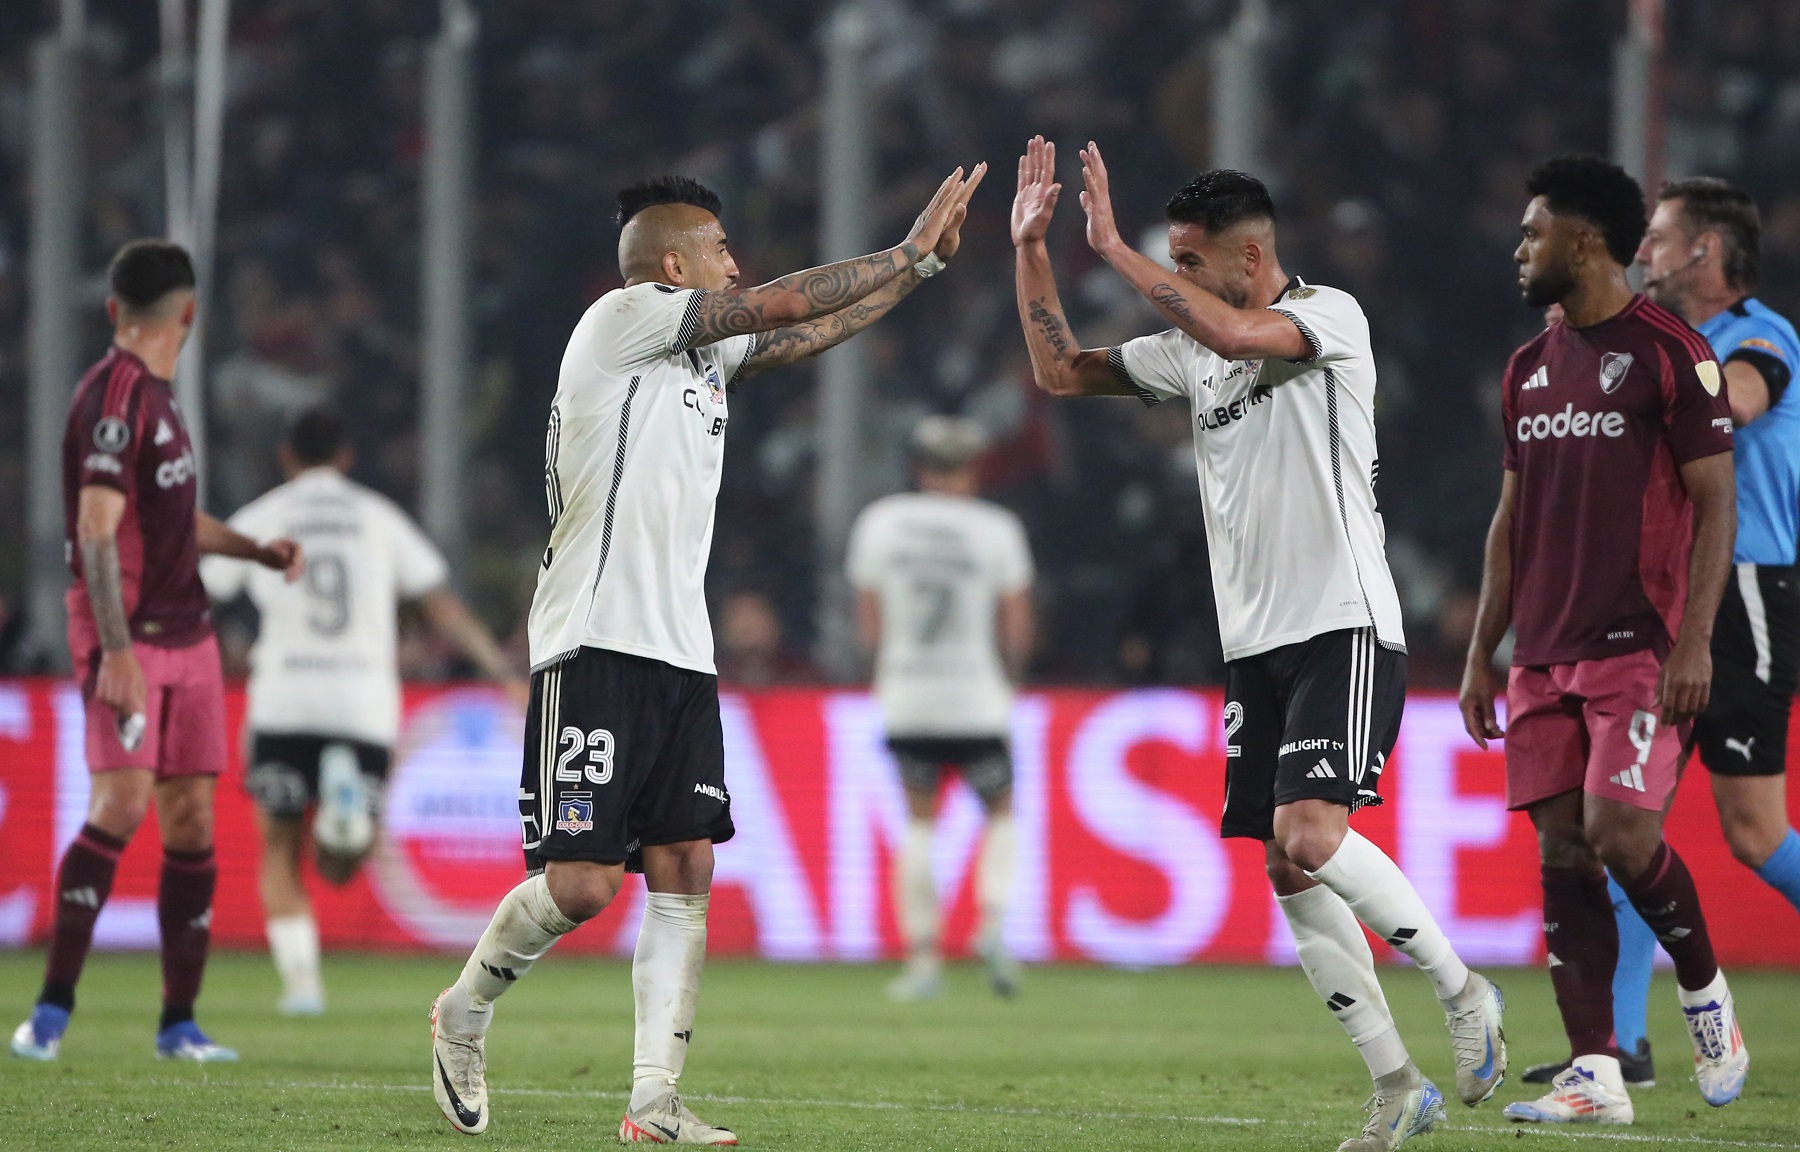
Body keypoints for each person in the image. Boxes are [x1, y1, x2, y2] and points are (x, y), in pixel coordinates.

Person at [427, 164, 986, 1142]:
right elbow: (769, 304)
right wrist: (901, 249)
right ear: (674, 263)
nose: (737, 265)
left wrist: (922, 273)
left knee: (686, 864)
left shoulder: (699, 359)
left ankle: (653, 1101)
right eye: (721, 251)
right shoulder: (621, 318)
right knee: (584, 884)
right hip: (592, 639)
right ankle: (464, 1011)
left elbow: (799, 332)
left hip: (680, 652)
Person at [1011, 136, 1505, 1152]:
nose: (1175, 280)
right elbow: (1062, 371)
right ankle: (1394, 1083)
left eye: (1187, 262)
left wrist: (1110, 247)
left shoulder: (1326, 319)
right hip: (1256, 643)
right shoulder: (1190, 351)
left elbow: (1239, 337)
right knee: (1285, 866)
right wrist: (1031, 250)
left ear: (1246, 259)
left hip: (1344, 621)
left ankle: (1462, 990)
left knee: (1315, 837)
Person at [1459, 156, 1748, 1125]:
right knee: (1564, 848)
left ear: (1582, 241)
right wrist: (1482, 652)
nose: (1519, 248)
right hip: (1543, 643)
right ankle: (1597, 1073)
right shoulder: (1527, 367)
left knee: (1623, 831)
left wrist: (1696, 642)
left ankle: (1705, 994)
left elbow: (1717, 506)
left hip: (1641, 639)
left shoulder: (1672, 353)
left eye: (1533, 231)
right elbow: (1509, 521)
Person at [1526, 176, 1800, 1091]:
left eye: (1663, 238)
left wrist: (1677, 390)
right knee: (1624, 825)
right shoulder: (1633, 346)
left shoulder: (1753, 338)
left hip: (1744, 592)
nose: (1646, 252)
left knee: (1755, 832)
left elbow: (1745, 403)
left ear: (1705, 252)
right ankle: (1621, 1047)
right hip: (1650, 601)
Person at [10, 240, 300, 1063]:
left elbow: (174, 524)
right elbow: (97, 535)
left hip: (192, 633)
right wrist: (117, 650)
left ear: (115, 310)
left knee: (191, 819)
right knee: (122, 805)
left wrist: (254, 552)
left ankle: (179, 1023)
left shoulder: (161, 403)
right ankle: (51, 1012)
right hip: (127, 635)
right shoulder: (116, 398)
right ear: (192, 313)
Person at [200, 407, 528, 1016]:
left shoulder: (267, 513)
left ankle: (302, 986)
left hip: (285, 699)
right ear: (346, 458)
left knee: (279, 849)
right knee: (342, 866)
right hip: (362, 703)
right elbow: (442, 606)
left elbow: (205, 593)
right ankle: (344, 810)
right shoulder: (377, 517)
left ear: (286, 458)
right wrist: (503, 673)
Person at [847, 415, 1034, 1002]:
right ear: (973, 469)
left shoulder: (881, 522)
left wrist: (886, 674)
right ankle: (992, 924)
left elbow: (869, 623)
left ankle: (924, 958)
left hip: (908, 696)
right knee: (1001, 812)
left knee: (919, 822)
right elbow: (1017, 622)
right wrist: (1011, 680)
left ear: (920, 467)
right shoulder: (997, 528)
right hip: (976, 697)